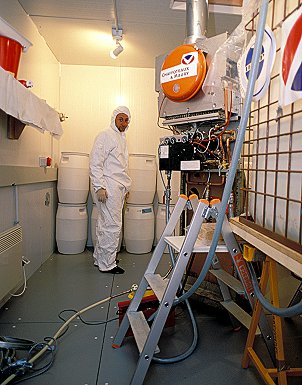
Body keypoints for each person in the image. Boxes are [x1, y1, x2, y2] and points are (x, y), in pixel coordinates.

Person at [90, 106, 131, 274]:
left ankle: (100, 258)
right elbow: (95, 162)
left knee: (104, 224)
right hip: (109, 187)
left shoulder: (121, 138)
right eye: (120, 119)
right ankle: (107, 264)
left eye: (126, 119)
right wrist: (99, 186)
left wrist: (126, 187)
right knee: (112, 226)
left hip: (117, 187)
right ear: (114, 119)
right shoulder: (105, 135)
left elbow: (121, 167)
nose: (123, 123)